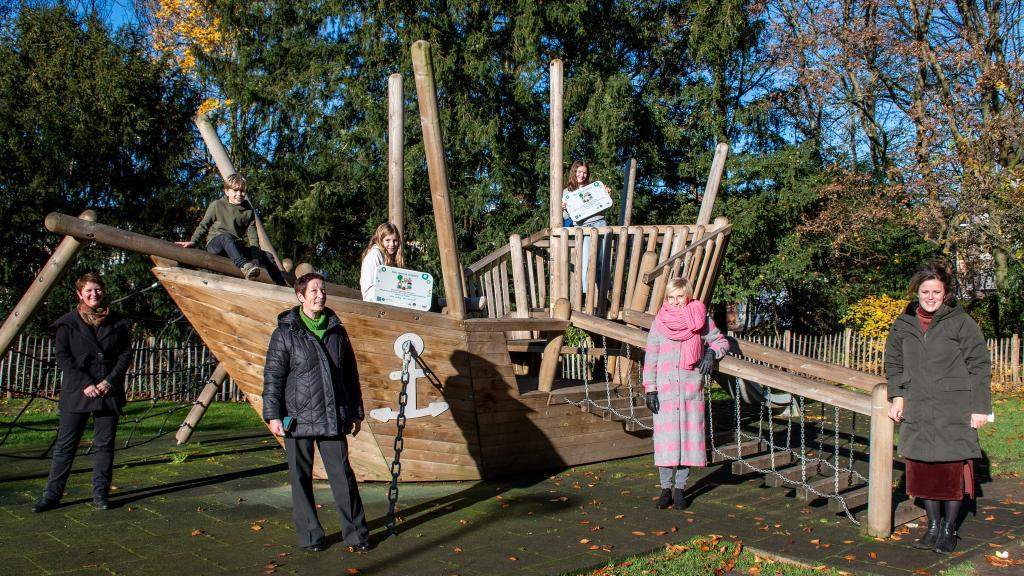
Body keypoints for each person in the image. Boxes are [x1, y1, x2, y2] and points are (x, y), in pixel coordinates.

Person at [885, 261, 991, 554]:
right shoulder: (902, 324)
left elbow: (979, 365)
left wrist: (980, 408)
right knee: (923, 469)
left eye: (937, 291)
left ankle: (949, 529)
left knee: (950, 470)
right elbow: (893, 363)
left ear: (946, 294)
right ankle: (932, 526)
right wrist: (897, 396)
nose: (930, 297)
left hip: (953, 407)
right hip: (916, 406)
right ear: (916, 293)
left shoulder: (961, 322)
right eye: (925, 291)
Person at [263, 272, 370, 552]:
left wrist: (356, 411)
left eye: (322, 290)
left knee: (343, 476)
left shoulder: (337, 329)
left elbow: (350, 375)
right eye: (313, 291)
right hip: (295, 418)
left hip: (332, 415)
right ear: (300, 296)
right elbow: (273, 377)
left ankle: (357, 535)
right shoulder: (285, 332)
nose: (320, 295)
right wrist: (273, 415)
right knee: (300, 478)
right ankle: (311, 536)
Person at [32, 272, 132, 512]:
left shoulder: (118, 322)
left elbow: (125, 354)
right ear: (79, 294)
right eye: (88, 290)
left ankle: (100, 495)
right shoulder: (67, 323)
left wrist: (109, 381)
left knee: (104, 446)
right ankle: (52, 496)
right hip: (78, 392)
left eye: (97, 289)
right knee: (65, 446)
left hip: (108, 391)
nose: (93, 294)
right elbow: (63, 356)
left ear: (103, 291)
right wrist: (85, 383)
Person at [642, 278, 729, 510]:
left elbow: (721, 341)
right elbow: (651, 358)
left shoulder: (700, 320)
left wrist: (711, 354)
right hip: (666, 392)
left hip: (690, 390)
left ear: (688, 296)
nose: (676, 302)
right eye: (671, 297)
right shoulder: (659, 322)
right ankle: (664, 489)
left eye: (680, 296)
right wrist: (650, 388)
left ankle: (680, 490)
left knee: (687, 443)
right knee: (666, 443)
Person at [176, 173, 263, 280]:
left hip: (234, 246)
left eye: (242, 191)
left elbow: (252, 233)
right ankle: (244, 267)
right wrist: (193, 241)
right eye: (235, 190)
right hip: (216, 244)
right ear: (227, 191)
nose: (239, 194)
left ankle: (282, 284)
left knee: (267, 256)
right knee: (225, 237)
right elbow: (204, 225)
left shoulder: (248, 210)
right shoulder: (217, 205)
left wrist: (255, 257)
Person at [562, 161, 613, 293]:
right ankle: (584, 296)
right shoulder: (567, 192)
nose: (582, 175)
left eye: (585, 172)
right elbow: (567, 217)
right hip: (582, 228)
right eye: (579, 172)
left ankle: (604, 294)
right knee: (584, 263)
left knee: (602, 262)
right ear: (574, 172)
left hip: (599, 224)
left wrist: (606, 194)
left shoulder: (594, 188)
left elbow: (604, 206)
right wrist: (565, 208)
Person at [359, 222, 404, 302]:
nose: (392, 244)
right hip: (374, 303)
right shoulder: (374, 254)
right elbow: (369, 286)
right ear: (380, 240)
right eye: (387, 240)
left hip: (387, 300)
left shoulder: (389, 256)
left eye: (395, 240)